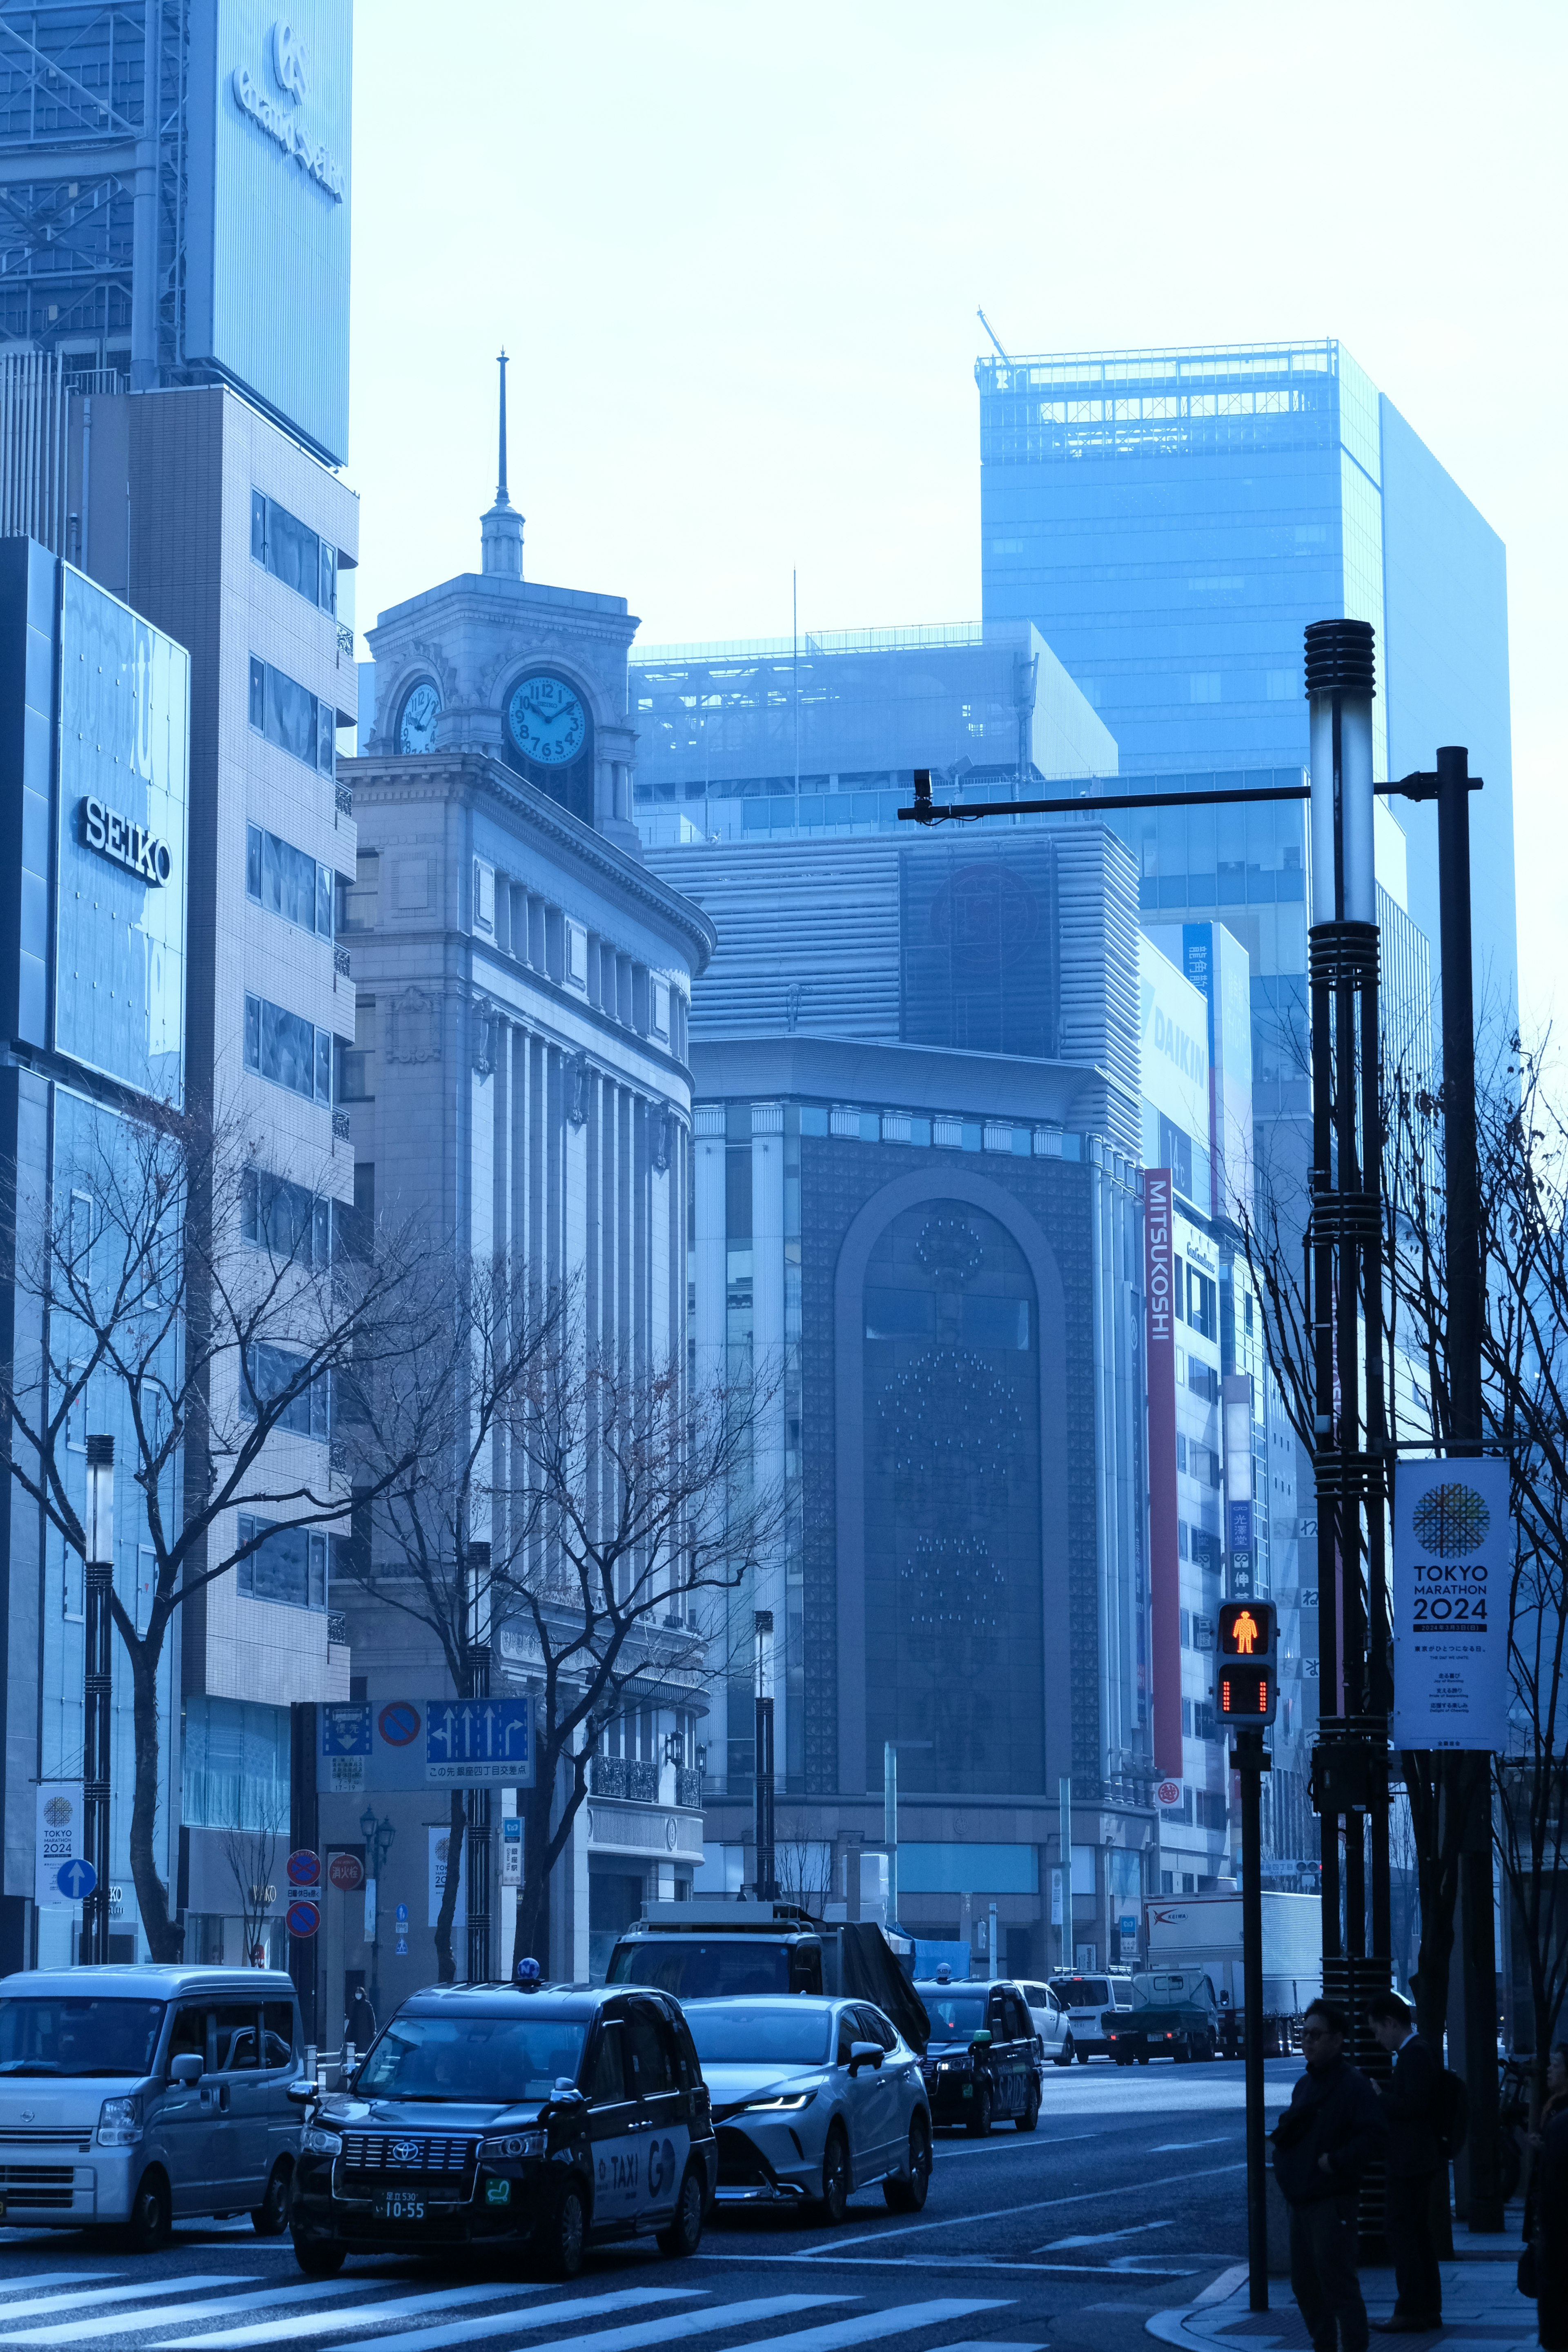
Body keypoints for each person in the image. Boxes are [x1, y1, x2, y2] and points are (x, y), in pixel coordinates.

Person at [1271, 1998, 1388, 2352]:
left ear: (1337, 2040)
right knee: (1304, 2284)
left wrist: (1336, 2162)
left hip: (1333, 2201)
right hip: (1303, 2200)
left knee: (1338, 2284)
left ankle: (1352, 2347)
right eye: (1304, 2034)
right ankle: (1323, 2344)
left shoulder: (1353, 2086)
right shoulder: (1305, 2086)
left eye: (1316, 2035)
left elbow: (1375, 2137)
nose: (1307, 2040)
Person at [1366, 1990, 1444, 2332]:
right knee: (1417, 2233)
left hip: (1410, 2160)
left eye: (1377, 2031)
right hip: (1420, 2158)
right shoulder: (1419, 2052)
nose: (1377, 2039)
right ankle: (1427, 2307)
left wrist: (1381, 2098)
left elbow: (1411, 2106)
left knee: (1401, 2233)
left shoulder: (1413, 2055)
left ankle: (1411, 2307)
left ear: (1391, 2022)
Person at [1528, 2044, 1568, 2352]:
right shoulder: (1555, 2116)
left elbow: (1553, 2196)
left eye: (1556, 2066)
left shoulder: (1559, 2123)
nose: (1550, 2072)